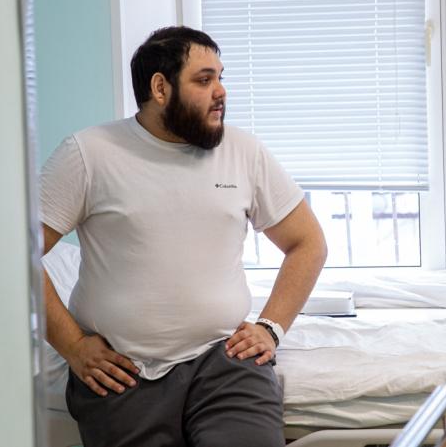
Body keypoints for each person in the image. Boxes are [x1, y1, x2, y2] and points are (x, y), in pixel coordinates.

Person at [39, 26, 327, 447]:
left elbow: (307, 242)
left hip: (226, 361)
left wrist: (270, 327)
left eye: (221, 77)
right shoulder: (88, 154)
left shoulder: (244, 152)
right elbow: (14, 253)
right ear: (160, 88)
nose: (221, 91)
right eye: (204, 80)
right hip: (122, 371)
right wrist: (74, 346)